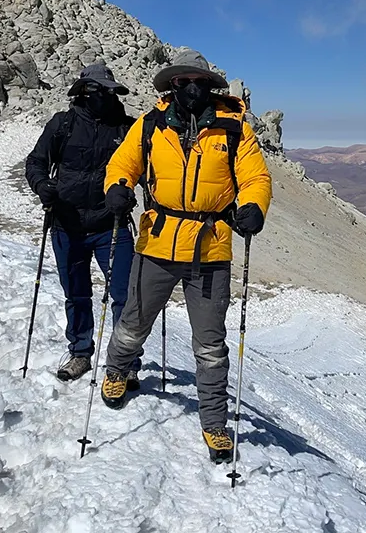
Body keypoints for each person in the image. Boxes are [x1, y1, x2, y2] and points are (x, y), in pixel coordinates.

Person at [99, 48, 272, 462]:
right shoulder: (150, 125)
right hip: (158, 240)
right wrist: (118, 186)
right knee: (134, 320)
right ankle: (117, 371)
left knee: (211, 344)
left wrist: (253, 206)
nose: (191, 89)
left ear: (210, 86)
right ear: (172, 85)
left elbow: (255, 177)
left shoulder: (234, 130)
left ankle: (214, 422)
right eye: (182, 82)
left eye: (198, 82)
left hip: (211, 247)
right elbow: (122, 163)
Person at [24, 61, 141, 383]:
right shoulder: (62, 124)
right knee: (76, 294)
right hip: (66, 224)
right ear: (82, 91)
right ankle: (80, 353)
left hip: (111, 225)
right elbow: (36, 162)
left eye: (106, 90)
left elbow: (147, 172)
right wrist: (42, 186)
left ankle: (125, 361)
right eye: (94, 90)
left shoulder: (127, 129)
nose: (100, 96)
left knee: (125, 295)